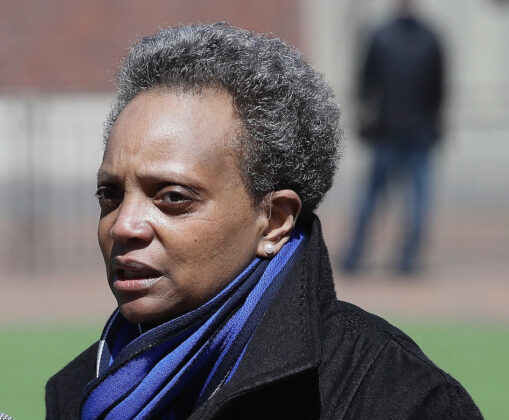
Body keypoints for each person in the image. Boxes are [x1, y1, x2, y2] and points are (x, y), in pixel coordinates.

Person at [45, 23, 481, 419]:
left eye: (173, 197)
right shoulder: (80, 391)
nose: (124, 226)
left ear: (274, 221)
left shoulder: (395, 398)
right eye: (111, 194)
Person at [343, 0, 445, 274]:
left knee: (374, 196)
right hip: (417, 129)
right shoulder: (430, 38)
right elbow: (439, 88)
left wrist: (364, 114)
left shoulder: (381, 35)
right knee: (416, 200)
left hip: (388, 129)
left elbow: (365, 83)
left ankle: (355, 254)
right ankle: (407, 258)